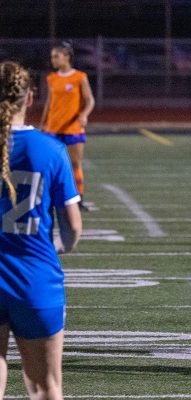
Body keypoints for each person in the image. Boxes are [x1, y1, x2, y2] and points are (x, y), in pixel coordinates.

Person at [0, 61, 82, 399]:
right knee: (44, 386)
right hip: (36, 279)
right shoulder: (51, 150)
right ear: (30, 98)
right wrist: (61, 246)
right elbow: (73, 226)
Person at [40, 40, 95, 212]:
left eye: (56, 56)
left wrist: (84, 114)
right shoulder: (51, 78)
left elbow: (89, 100)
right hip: (53, 128)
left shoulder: (80, 77)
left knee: (75, 164)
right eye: (52, 57)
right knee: (50, 165)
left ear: (67, 57)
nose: (53, 60)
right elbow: (49, 103)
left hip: (73, 128)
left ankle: (78, 199)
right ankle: (49, 198)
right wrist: (43, 123)